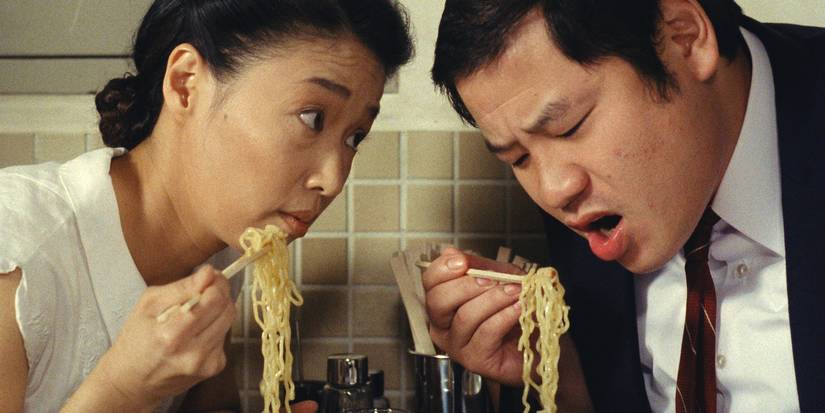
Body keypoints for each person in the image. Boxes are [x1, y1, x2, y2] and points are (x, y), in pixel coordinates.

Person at [0, 0, 412, 412]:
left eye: (355, 137)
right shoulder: (17, 241)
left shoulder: (222, 254)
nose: (333, 179)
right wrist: (121, 392)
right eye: (311, 117)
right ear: (186, 83)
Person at [424, 0, 824, 411]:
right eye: (518, 159)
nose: (553, 191)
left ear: (684, 35)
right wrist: (563, 381)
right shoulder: (597, 202)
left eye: (569, 127)